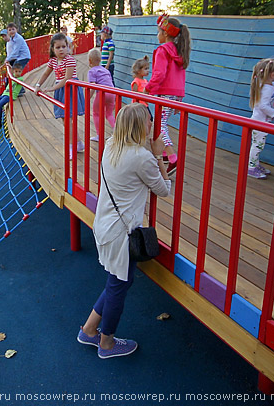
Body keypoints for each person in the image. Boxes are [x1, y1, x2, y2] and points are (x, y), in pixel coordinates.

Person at [77, 103, 171, 358]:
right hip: (121, 234)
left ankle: (89, 329)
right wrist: (158, 156)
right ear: (142, 125)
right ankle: (106, 343)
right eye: (150, 121)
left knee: (118, 282)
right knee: (119, 284)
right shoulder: (142, 158)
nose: (153, 124)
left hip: (105, 224)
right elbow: (164, 189)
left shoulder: (111, 145)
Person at [144, 14, 191, 175]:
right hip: (176, 94)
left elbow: (159, 74)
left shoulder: (162, 50)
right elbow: (180, 77)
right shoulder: (179, 51)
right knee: (161, 123)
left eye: (158, 32)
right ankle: (164, 154)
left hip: (165, 93)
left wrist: (148, 88)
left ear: (164, 34)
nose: (157, 35)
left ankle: (172, 157)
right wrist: (180, 98)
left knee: (160, 125)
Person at [35, 33, 85, 153]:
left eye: (64, 46)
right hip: (60, 89)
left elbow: (67, 78)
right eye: (58, 47)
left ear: (68, 47)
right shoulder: (53, 61)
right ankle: (78, 144)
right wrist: (38, 85)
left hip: (70, 89)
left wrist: (53, 88)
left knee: (69, 119)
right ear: (53, 49)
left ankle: (72, 147)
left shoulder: (70, 60)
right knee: (65, 119)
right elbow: (46, 73)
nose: (61, 49)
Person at [87, 49, 116, 142]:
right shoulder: (105, 70)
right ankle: (117, 132)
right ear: (100, 60)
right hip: (112, 92)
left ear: (90, 61)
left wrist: (86, 99)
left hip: (102, 93)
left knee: (96, 113)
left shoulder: (92, 71)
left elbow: (92, 86)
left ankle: (99, 135)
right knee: (109, 114)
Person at [0, 68, 24, 134]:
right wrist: (9, 67)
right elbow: (9, 74)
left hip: (10, 95)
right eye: (16, 71)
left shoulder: (20, 79)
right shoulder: (11, 77)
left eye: (19, 71)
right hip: (4, 94)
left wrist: (11, 75)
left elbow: (16, 80)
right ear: (13, 72)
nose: (17, 73)